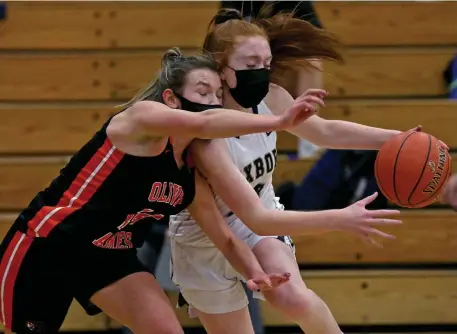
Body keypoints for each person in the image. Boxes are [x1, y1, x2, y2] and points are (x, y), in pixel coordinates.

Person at [0, 47, 327, 334]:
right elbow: (202, 124)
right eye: (202, 92)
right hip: (50, 244)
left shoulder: (188, 171)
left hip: (110, 257)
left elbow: (225, 237)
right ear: (171, 98)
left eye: (217, 94)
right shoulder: (141, 119)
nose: (213, 103)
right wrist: (279, 122)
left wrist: (255, 273)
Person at [168, 9, 413, 334]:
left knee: (293, 298)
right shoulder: (203, 137)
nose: (261, 72)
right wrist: (339, 218)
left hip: (258, 219)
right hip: (205, 238)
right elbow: (256, 217)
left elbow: (326, 133)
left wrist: (399, 139)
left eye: (266, 64)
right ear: (220, 67)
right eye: (250, 64)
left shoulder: (272, 96)